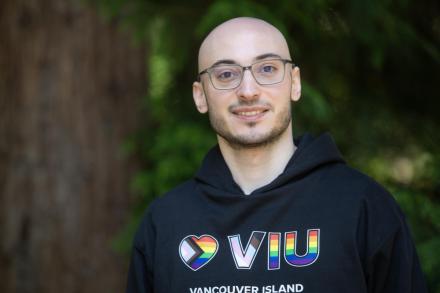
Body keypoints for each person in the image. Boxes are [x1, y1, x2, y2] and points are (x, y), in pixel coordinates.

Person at [126, 17, 427, 293]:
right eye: (226, 74)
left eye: (267, 69)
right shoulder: (166, 223)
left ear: (294, 83)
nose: (248, 90)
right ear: (200, 96)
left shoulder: (364, 207)